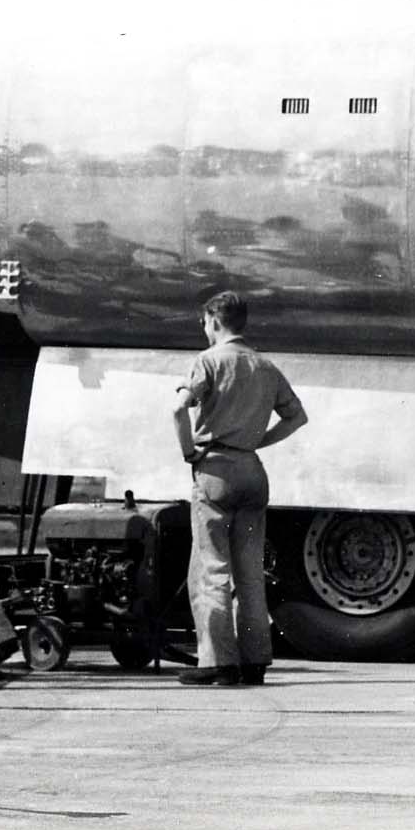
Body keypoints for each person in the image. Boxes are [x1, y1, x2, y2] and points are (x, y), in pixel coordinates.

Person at [170, 289, 306, 689]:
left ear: (213, 320)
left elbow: (178, 409)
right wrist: (257, 442)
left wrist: (188, 451)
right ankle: (255, 660)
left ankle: (218, 662)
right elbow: (297, 417)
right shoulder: (265, 366)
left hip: (214, 469)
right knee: (250, 572)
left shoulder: (208, 362)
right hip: (252, 470)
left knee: (211, 568)